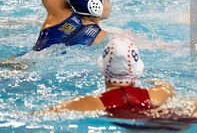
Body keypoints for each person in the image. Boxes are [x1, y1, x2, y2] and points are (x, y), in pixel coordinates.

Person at [35, 38, 174, 117]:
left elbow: (37, 115)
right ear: (138, 71)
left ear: (102, 68)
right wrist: (156, 82)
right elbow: (167, 88)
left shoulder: (87, 103)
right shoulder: (160, 92)